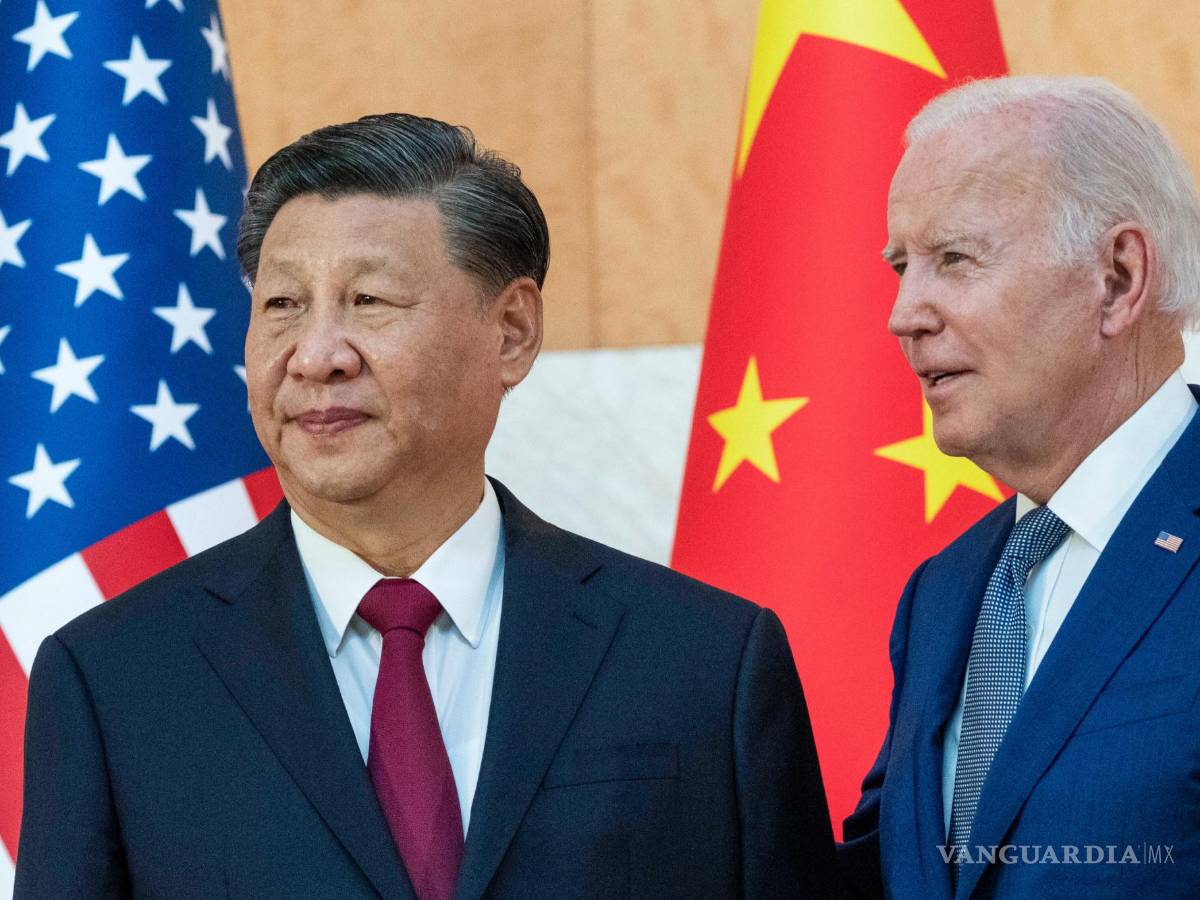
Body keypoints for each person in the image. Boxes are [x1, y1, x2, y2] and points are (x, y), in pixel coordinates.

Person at [15, 113, 837, 899]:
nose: (317, 355)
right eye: (282, 306)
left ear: (510, 332)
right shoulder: (114, 681)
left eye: (369, 301)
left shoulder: (705, 662)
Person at [838, 75, 1200, 899]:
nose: (904, 313)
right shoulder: (945, 591)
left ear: (1116, 277)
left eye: (954, 260)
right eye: (902, 265)